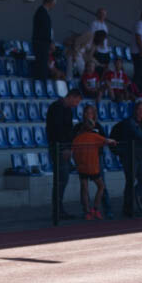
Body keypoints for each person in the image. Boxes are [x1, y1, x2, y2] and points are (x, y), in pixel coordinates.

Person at [71, 107, 115, 220]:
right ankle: (95, 208)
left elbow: (72, 149)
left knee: (84, 187)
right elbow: (107, 140)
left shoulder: (77, 138)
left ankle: (87, 212)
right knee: (101, 186)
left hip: (82, 165)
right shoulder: (95, 136)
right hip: (93, 165)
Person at [110, 102, 142, 218]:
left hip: (138, 156)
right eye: (139, 109)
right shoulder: (129, 123)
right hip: (129, 156)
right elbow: (140, 137)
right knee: (130, 181)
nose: (141, 112)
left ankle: (133, 201)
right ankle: (128, 208)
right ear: (134, 110)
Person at [46, 88, 82, 219]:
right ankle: (57, 210)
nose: (76, 104)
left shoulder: (67, 110)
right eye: (76, 101)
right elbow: (57, 130)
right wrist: (64, 147)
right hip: (58, 147)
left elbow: (67, 130)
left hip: (64, 146)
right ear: (72, 97)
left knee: (62, 179)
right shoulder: (57, 108)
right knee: (61, 179)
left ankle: (59, 208)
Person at [31, 0, 55, 81]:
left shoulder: (43, 12)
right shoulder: (41, 12)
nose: (53, 6)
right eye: (53, 4)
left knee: (43, 63)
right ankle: (41, 81)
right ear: (49, 3)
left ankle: (41, 79)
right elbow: (45, 30)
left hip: (42, 42)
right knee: (42, 63)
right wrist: (50, 41)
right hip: (41, 43)